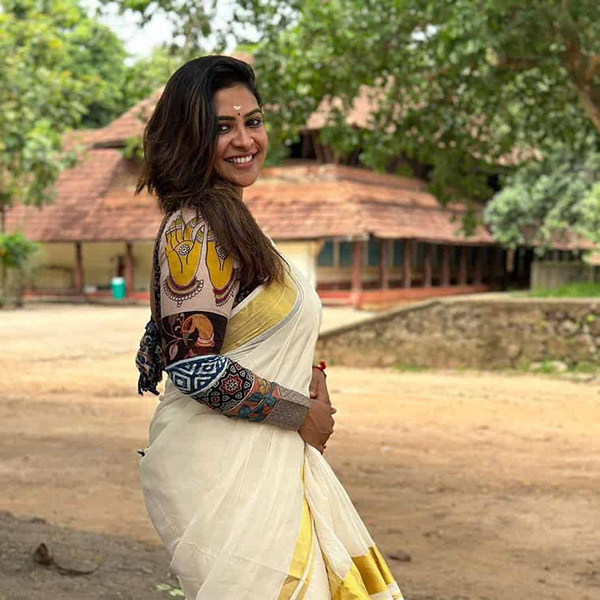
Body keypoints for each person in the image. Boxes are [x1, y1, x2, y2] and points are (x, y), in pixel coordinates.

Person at [135, 55, 403, 600]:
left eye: (252, 122)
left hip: (265, 462)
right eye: (222, 127)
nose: (245, 140)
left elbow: (250, 331)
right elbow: (195, 368)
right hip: (224, 470)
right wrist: (300, 412)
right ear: (189, 137)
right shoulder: (195, 229)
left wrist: (309, 374)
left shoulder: (233, 223)